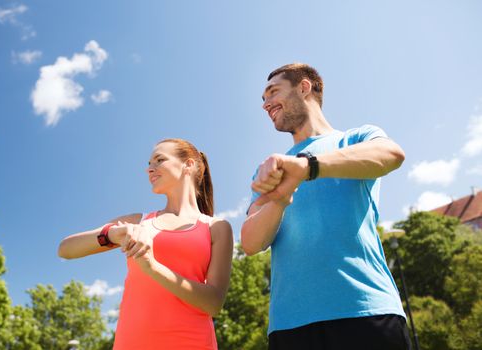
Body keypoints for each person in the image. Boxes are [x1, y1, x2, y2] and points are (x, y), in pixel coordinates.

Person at [241, 63, 411, 350]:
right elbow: (250, 242)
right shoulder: (268, 171)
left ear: (304, 87)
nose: (266, 104)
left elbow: (392, 154)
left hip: (366, 311)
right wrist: (280, 199)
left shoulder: (356, 138)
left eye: (273, 92)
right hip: (290, 326)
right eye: (263, 99)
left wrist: (308, 167)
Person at [58, 138, 233, 350]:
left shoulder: (217, 227)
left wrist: (152, 267)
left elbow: (214, 303)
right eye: (149, 164)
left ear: (189, 164)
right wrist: (111, 234)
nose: (150, 169)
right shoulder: (139, 221)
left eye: (159, 160)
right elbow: (66, 249)